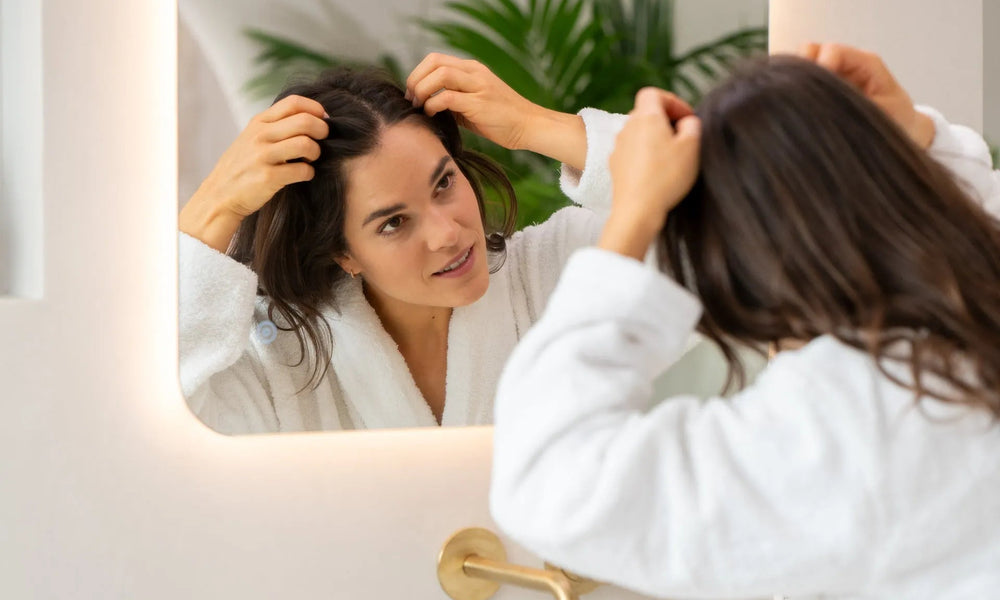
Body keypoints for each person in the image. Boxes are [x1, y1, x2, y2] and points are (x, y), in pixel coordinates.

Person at [490, 44, 1000, 598]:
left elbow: (551, 481)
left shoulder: (848, 430)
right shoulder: (973, 314)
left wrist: (637, 212)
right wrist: (917, 141)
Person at [179, 55, 647, 433]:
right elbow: (152, 430)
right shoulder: (285, 361)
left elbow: (711, 233)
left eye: (444, 182)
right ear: (343, 253)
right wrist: (214, 206)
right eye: (394, 222)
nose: (448, 234)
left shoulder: (553, 276)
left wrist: (536, 124)